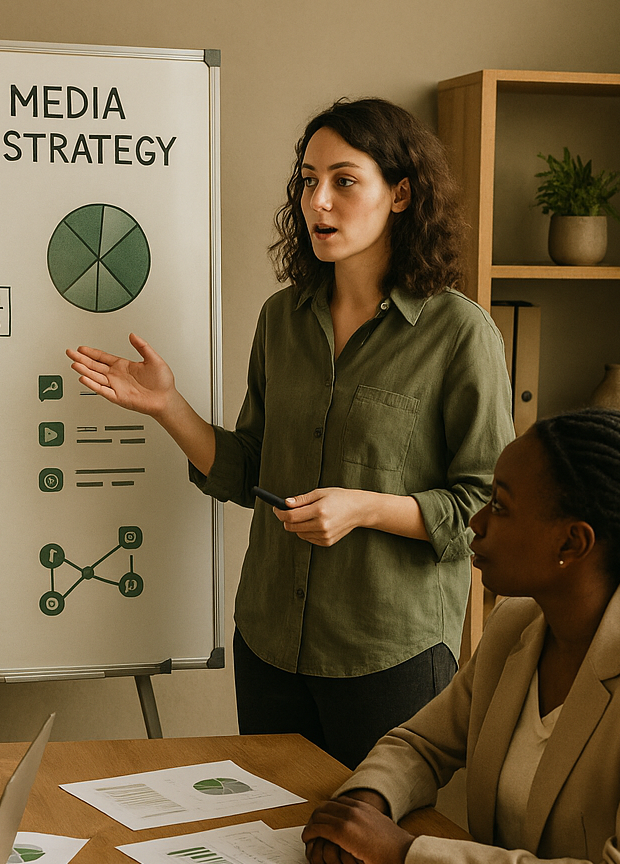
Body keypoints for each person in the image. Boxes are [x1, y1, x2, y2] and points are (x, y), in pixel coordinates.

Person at [68, 97, 514, 767]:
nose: (318, 202)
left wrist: (362, 507)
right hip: (271, 645)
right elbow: (252, 471)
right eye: (308, 180)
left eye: (343, 180)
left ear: (400, 194)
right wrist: (167, 407)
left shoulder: (458, 333)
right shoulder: (283, 320)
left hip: (389, 652)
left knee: (368, 853)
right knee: (271, 848)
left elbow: (484, 503)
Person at [302, 408, 620, 864]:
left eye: (499, 506)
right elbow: (419, 746)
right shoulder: (515, 628)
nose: (474, 522)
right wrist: (364, 806)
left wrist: (406, 855)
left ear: (573, 543)